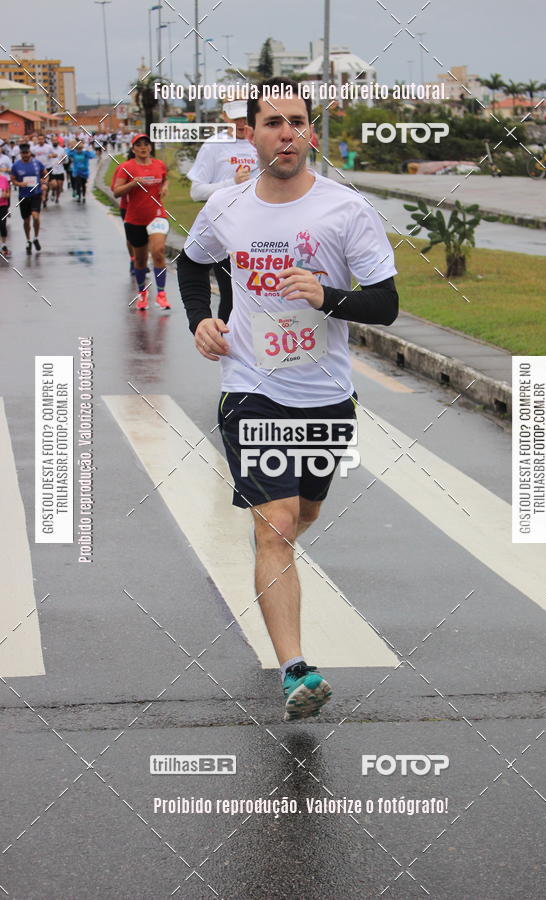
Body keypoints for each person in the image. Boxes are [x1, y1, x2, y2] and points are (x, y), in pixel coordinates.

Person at [177, 78, 398, 721]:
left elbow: (384, 303)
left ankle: (272, 557)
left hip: (326, 393)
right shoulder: (228, 205)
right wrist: (202, 319)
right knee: (274, 524)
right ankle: (296, 670)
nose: (286, 133)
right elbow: (194, 264)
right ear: (250, 134)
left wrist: (326, 296)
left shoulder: (344, 209)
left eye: (297, 121)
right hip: (252, 389)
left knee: (301, 517)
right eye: (272, 122)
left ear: (310, 132)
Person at [186, 99, 259, 323]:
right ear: (225, 118)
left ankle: (257, 349)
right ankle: (229, 348)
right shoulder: (214, 146)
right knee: (230, 294)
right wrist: (232, 183)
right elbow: (196, 192)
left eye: (245, 118)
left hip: (260, 230)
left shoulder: (261, 144)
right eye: (236, 118)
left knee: (259, 295)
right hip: (225, 229)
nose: (241, 123)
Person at [112, 133, 170, 310]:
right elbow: (116, 191)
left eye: (146, 144)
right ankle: (142, 293)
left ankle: (161, 294)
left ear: (150, 147)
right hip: (135, 218)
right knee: (140, 260)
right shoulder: (126, 167)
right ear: (133, 148)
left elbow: (165, 178)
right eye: (139, 145)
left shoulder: (159, 165)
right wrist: (133, 184)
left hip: (157, 215)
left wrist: (165, 187)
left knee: (158, 251)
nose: (143, 147)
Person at [11, 143, 46, 254]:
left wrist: (44, 182)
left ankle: (36, 237)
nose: (25, 155)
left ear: (30, 152)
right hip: (23, 196)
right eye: (23, 153)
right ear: (20, 154)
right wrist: (19, 184)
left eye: (27, 153)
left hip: (36, 194)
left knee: (35, 217)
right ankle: (28, 240)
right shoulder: (16, 165)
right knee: (26, 221)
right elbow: (13, 180)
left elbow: (45, 173)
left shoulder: (37, 163)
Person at [0, 169, 11, 257]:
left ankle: (3, 244)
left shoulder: (4, 179)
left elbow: (8, 193)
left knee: (2, 224)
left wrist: (5, 195)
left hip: (3, 205)